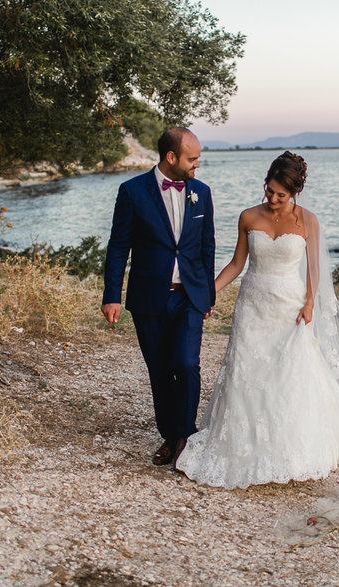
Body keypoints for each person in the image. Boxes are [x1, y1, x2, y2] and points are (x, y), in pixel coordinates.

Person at [176, 151, 339, 488]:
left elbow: (316, 269)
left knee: (290, 372)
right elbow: (236, 264)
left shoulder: (308, 221)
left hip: (290, 307)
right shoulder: (249, 217)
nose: (273, 199)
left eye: (281, 194)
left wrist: (309, 303)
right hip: (253, 306)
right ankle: (241, 443)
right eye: (270, 191)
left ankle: (291, 443)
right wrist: (210, 292)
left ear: (295, 192)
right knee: (247, 370)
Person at [102, 127, 215, 466]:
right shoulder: (132, 192)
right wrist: (112, 295)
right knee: (160, 369)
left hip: (189, 296)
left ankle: (186, 434)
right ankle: (170, 434)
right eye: (192, 159)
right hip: (148, 296)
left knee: (186, 363)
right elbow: (119, 246)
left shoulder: (202, 192)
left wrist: (207, 294)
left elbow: (207, 246)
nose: (197, 165)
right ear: (171, 158)